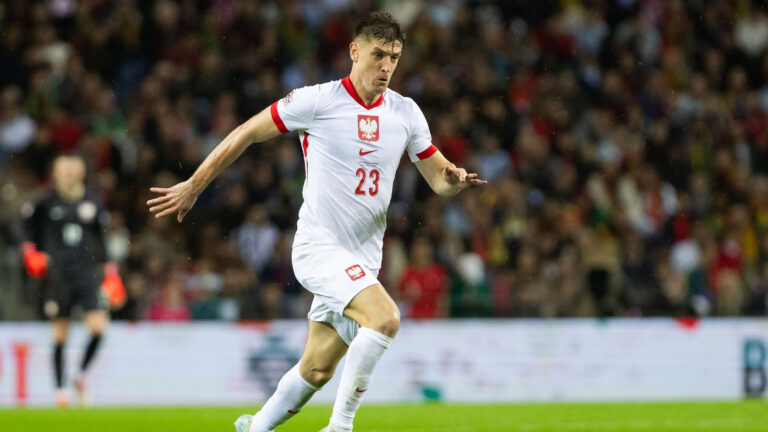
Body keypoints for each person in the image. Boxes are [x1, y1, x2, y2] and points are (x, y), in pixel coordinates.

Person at [147, 11, 485, 432]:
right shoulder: (318, 100)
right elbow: (246, 131)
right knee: (385, 319)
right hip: (319, 249)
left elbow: (438, 180)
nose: (386, 66)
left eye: (394, 57)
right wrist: (195, 185)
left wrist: (454, 180)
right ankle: (340, 427)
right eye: (378, 54)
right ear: (354, 51)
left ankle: (256, 428)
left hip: (363, 259)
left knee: (317, 370)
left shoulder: (406, 112)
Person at [20, 154, 123, 406]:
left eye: (71, 171)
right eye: (63, 171)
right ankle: (60, 391)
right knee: (60, 334)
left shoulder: (91, 202)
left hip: (86, 274)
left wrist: (111, 271)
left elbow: (102, 238)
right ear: (55, 175)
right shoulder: (45, 203)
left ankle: (80, 375)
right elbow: (27, 231)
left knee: (99, 328)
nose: (67, 176)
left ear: (79, 174)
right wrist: (30, 252)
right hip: (58, 276)